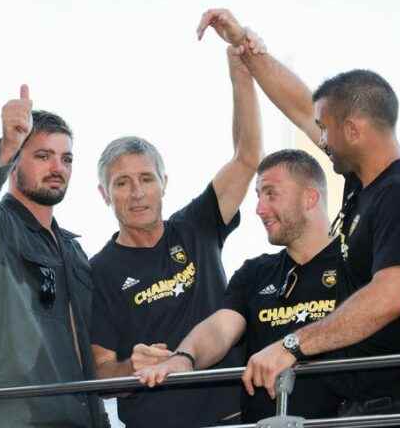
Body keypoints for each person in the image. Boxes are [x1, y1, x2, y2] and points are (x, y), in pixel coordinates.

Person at [195, 9, 400, 424]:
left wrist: (292, 344)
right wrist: (247, 48)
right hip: (365, 406)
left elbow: (390, 296)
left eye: (325, 130)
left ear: (353, 130)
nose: (319, 139)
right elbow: (303, 105)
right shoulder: (365, 179)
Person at [88, 44, 264, 428]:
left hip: (233, 415)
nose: (137, 193)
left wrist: (241, 75)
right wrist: (129, 367)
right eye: (122, 183)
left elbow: (247, 157)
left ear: (164, 183)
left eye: (146, 179)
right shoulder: (97, 271)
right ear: (104, 194)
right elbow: (100, 374)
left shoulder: (197, 225)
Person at [136, 149, 353, 422]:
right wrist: (184, 358)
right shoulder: (255, 272)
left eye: (271, 194)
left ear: (310, 198)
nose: (259, 209)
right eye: (258, 196)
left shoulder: (355, 265)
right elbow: (220, 328)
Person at [0, 85, 106, 427]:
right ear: (15, 163)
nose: (58, 167)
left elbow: (86, 351)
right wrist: (7, 145)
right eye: (43, 156)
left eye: (66, 158)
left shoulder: (74, 253)